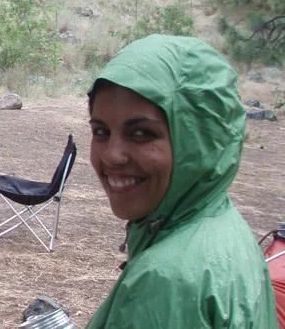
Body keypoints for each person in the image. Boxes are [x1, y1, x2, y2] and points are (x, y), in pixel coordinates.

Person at [85, 34, 277, 328]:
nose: (112, 155)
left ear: (198, 142)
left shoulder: (166, 280)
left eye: (141, 134)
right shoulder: (225, 233)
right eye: (101, 132)